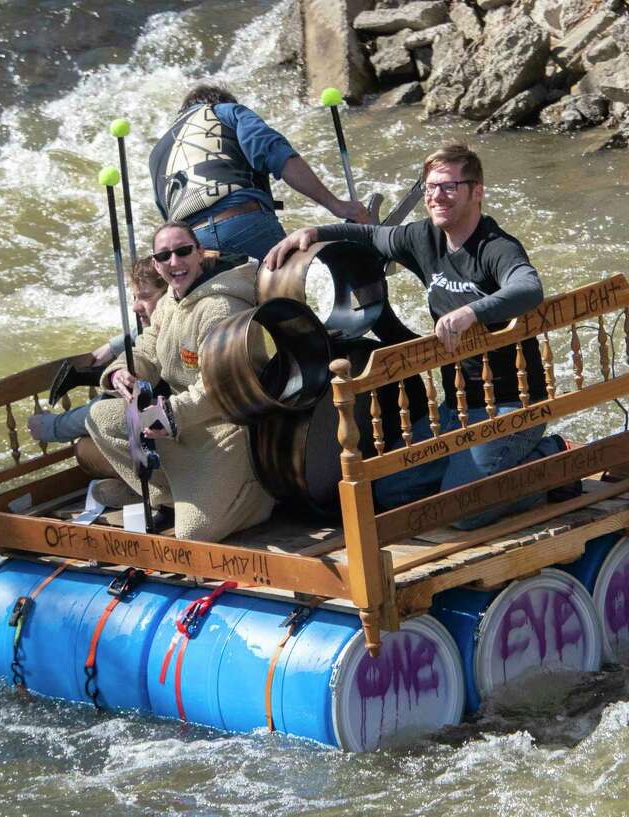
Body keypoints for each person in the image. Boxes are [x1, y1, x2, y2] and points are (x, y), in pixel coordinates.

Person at [264, 141, 566, 528]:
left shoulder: (496, 247)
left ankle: (549, 456)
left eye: (449, 187)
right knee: (390, 491)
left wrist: (471, 313)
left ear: (477, 192)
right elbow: (371, 237)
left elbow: (528, 288)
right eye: (430, 188)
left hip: (513, 405)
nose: (437, 196)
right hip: (457, 406)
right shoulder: (424, 238)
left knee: (462, 513)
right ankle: (471, 471)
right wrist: (312, 232)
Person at [85, 221, 275, 541]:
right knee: (100, 418)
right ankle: (171, 496)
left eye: (183, 251)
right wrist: (122, 370)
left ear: (199, 253)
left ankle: (255, 496)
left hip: (224, 429)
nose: (175, 262)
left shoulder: (220, 308)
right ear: (157, 265)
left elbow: (218, 388)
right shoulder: (170, 302)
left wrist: (170, 414)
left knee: (192, 533)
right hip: (179, 424)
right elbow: (147, 348)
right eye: (165, 255)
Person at [149, 83, 371, 262]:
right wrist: (336, 205)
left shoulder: (157, 154)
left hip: (191, 249)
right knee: (285, 308)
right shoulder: (225, 111)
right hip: (243, 224)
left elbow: (169, 220)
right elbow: (276, 153)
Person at [27, 257, 167, 445]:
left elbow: (110, 407)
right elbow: (146, 330)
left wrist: (56, 427)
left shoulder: (170, 330)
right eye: (134, 297)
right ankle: (79, 378)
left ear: (170, 295)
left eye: (146, 297)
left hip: (157, 425)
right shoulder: (161, 318)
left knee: (85, 447)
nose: (134, 307)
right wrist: (112, 347)